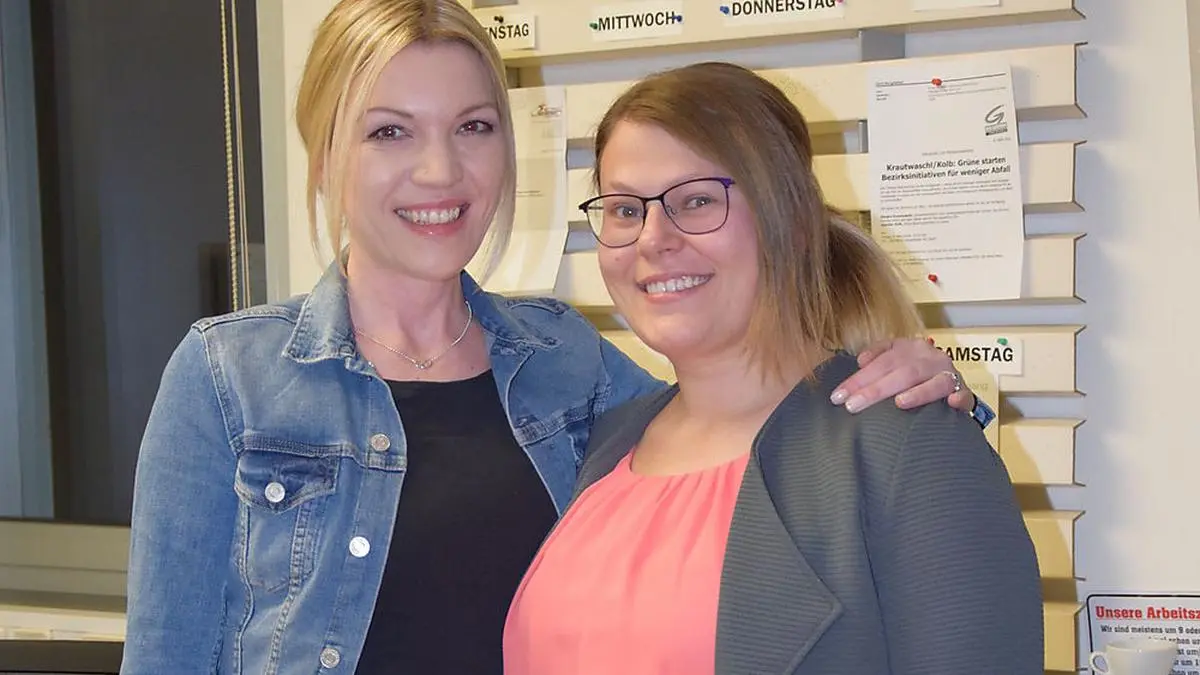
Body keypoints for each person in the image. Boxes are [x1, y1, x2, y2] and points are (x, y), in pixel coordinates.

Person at [119, 2, 992, 673]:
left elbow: (744, 429)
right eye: (389, 131)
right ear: (324, 158)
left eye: (474, 127)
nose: (440, 170)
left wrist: (907, 385)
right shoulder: (227, 377)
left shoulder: (564, 363)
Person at [503, 62, 1043, 675]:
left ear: (789, 220)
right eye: (626, 209)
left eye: (697, 201)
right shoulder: (608, 442)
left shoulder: (908, 446)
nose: (653, 239)